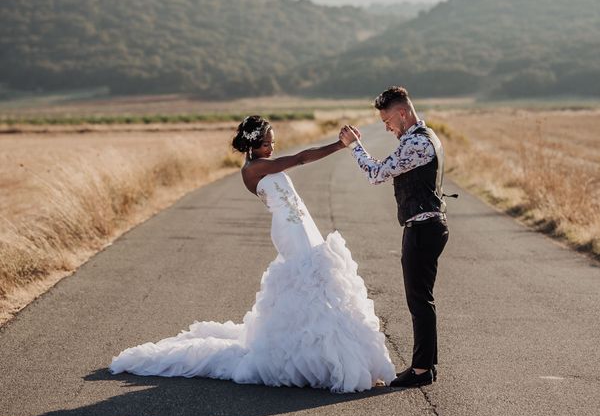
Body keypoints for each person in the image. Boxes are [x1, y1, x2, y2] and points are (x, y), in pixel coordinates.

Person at [109, 115, 395, 393]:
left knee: (321, 278)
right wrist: (339, 145)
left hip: (303, 224)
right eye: (266, 144)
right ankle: (319, 356)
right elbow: (300, 159)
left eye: (272, 143)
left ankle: (324, 348)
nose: (271, 148)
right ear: (251, 145)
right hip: (288, 230)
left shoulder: (263, 163)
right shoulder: (253, 170)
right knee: (309, 280)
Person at [339, 86, 450, 388]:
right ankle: (426, 365)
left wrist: (355, 146)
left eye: (387, 120)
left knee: (419, 300)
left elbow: (376, 174)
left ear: (402, 113)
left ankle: (421, 370)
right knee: (421, 299)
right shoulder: (423, 137)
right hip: (428, 225)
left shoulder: (416, 143)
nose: (386, 127)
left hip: (423, 228)